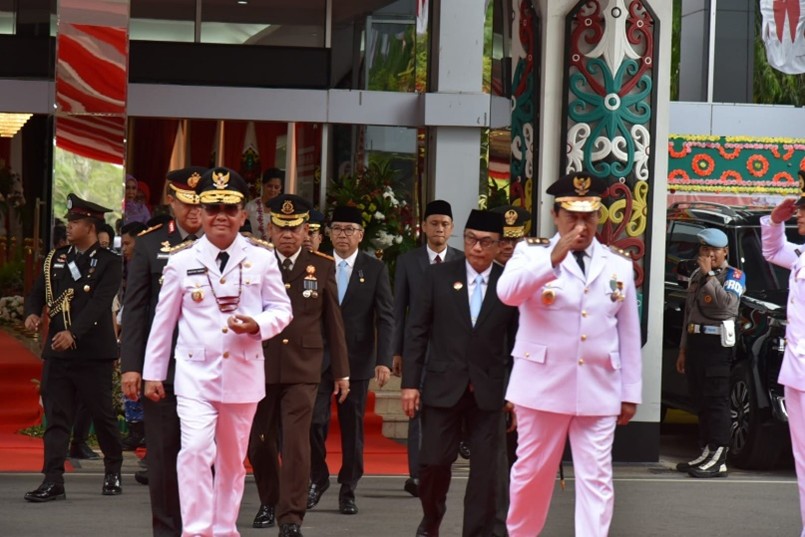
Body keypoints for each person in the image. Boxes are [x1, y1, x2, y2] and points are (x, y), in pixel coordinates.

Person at [142, 167, 293, 537]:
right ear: (201, 213)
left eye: (229, 208)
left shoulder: (262, 257)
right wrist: (152, 373)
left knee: (231, 462)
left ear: (243, 214)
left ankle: (224, 528)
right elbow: (163, 323)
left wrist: (258, 324)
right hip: (194, 376)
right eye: (212, 209)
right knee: (193, 450)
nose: (220, 216)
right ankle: (195, 530)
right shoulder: (179, 260)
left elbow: (282, 309)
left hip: (242, 374)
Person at [497, 172, 642, 537]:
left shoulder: (617, 263)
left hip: (598, 388)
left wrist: (630, 392)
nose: (581, 225)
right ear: (555, 215)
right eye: (572, 217)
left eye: (589, 217)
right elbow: (507, 294)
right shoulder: (529, 252)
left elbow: (627, 332)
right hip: (541, 387)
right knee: (532, 475)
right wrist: (554, 257)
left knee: (597, 479)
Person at [401, 209, 517, 537]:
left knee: (487, 474)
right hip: (442, 383)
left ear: (498, 245)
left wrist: (515, 392)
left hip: (490, 390)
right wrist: (410, 383)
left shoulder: (508, 283)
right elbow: (417, 331)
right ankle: (432, 517)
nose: (477, 248)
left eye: (485, 242)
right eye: (470, 240)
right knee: (433, 463)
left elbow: (520, 342)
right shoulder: (437, 276)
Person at [248, 194, 349, 537]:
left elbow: (333, 321)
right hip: (259, 364)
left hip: (304, 367)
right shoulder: (255, 264)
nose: (288, 235)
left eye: (294, 228)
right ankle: (270, 499)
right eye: (281, 228)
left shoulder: (321, 265)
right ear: (271, 229)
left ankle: (290, 518)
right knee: (260, 443)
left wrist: (342, 372)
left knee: (295, 443)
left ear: (306, 230)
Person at [120, 166, 207, 535]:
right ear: (171, 201)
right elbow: (137, 310)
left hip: (210, 372)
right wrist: (131, 367)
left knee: (208, 458)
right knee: (163, 457)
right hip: (165, 372)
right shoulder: (152, 243)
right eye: (186, 203)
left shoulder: (227, 242)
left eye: (200, 204)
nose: (193, 211)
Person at [23, 194, 124, 502]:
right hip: (58, 352)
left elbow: (97, 305)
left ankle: (113, 470)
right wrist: (31, 311)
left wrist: (73, 332)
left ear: (91, 227)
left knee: (102, 415)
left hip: (92, 353)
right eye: (69, 222)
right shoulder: (56, 258)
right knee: (56, 417)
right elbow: (37, 291)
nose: (69, 227)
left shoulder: (109, 262)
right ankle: (53, 480)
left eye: (76, 222)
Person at [307, 205, 394, 515]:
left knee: (352, 427)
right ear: (329, 233)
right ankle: (318, 477)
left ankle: (349, 487)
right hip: (317, 357)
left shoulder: (374, 269)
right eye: (337, 228)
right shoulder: (316, 265)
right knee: (312, 422)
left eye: (349, 229)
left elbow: (386, 317)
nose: (342, 234)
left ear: (360, 235)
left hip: (356, 359)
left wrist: (383, 359)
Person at [392, 199, 463, 497]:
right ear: (423, 227)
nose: (439, 228)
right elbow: (399, 310)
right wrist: (395, 352)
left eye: (445, 224)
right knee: (416, 411)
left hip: (453, 351)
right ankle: (417, 475)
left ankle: (439, 469)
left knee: (451, 410)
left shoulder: (461, 260)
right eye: (434, 223)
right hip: (418, 349)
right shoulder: (409, 261)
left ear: (452, 228)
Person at [675, 228, 744, 478]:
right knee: (701, 400)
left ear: (724, 251)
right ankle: (706, 450)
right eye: (704, 249)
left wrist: (709, 276)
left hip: (717, 345)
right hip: (696, 341)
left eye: (714, 250)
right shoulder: (695, 275)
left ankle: (719, 457)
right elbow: (688, 314)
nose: (709, 254)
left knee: (717, 401)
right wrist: (683, 349)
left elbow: (726, 306)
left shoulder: (734, 275)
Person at [761, 190, 805, 536]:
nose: (799, 214)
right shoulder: (802, 256)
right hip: (797, 371)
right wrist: (775, 220)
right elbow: (774, 250)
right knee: (802, 462)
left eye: (804, 211)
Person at [488, 204, 530, 537]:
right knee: (495, 462)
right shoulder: (483, 278)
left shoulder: (535, 278)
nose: (508, 246)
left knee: (524, 461)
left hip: (529, 381)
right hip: (492, 380)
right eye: (503, 239)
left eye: (515, 240)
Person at [246, 167, 285, 241]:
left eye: (276, 187)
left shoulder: (284, 208)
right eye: (269, 186)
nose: (273, 190)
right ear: (263, 185)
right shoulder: (251, 207)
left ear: (280, 189)